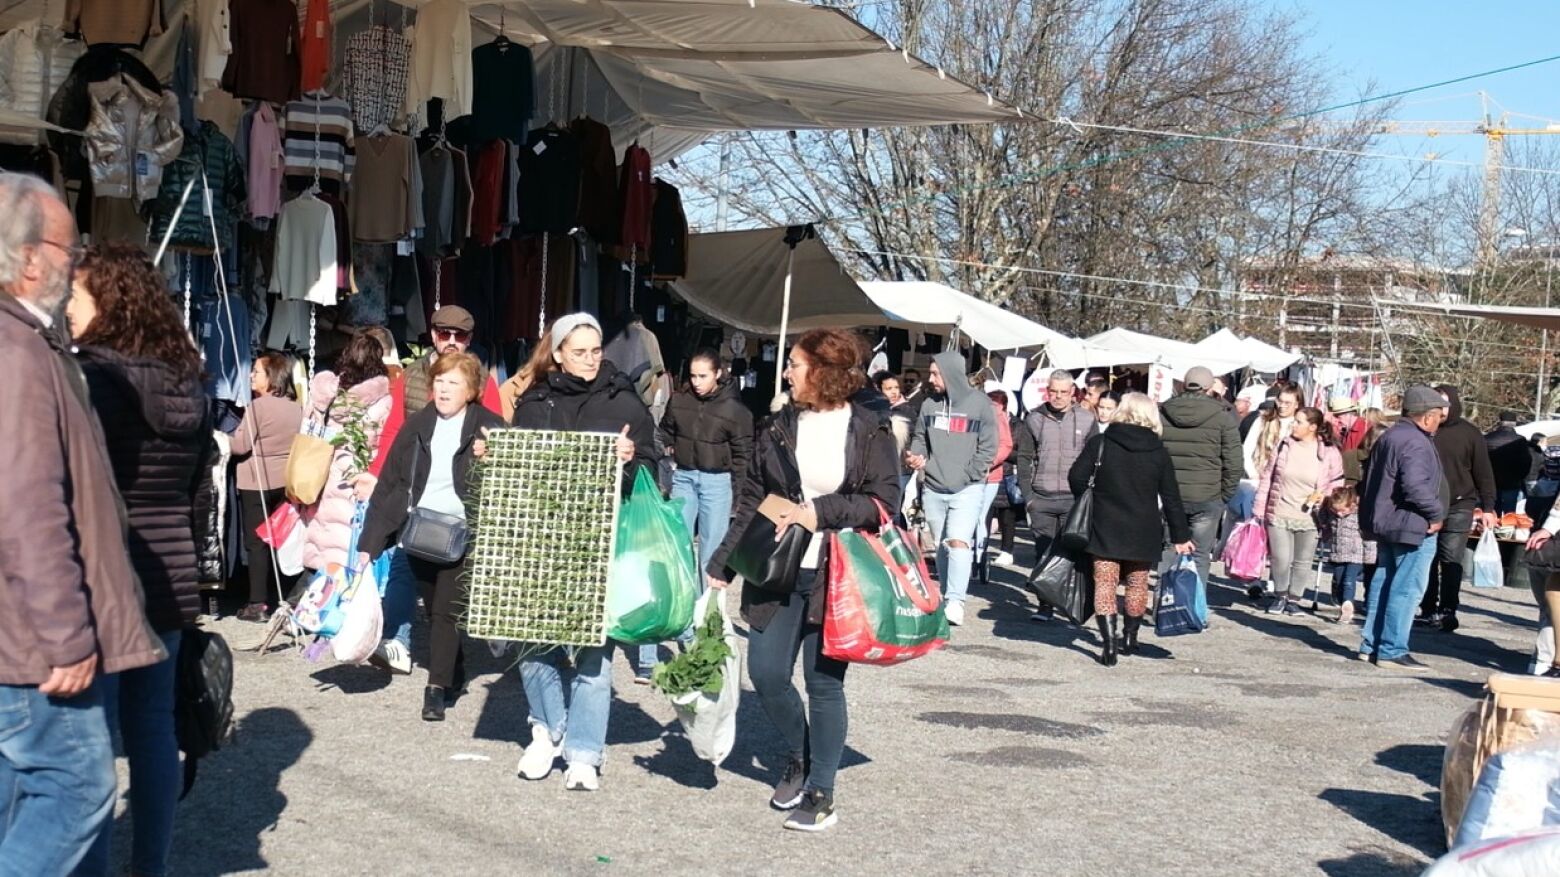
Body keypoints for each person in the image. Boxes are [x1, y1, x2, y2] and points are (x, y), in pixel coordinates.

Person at [0, 173, 164, 874]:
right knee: (78, 789)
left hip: (26, 631)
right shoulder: (17, 355)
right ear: (31, 257)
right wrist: (68, 633)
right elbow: (27, 505)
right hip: (39, 638)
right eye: (71, 250)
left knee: (27, 794)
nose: (77, 266)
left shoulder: (32, 348)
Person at [708, 328, 900, 831]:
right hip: (775, 567)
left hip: (836, 574)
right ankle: (799, 754)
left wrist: (821, 511)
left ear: (823, 371)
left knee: (823, 684)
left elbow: (884, 504)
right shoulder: (776, 425)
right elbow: (750, 498)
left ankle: (821, 790)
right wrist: (722, 563)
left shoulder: (870, 429)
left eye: (794, 363)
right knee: (767, 675)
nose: (786, 372)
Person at [67, 243, 212, 877]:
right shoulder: (190, 383)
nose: (67, 307)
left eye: (78, 294)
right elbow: (199, 495)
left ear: (109, 300)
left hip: (103, 577)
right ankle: (149, 866)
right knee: (153, 728)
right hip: (170, 577)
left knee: (90, 735)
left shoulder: (94, 381)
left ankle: (91, 864)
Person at [510, 314, 656, 793]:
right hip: (543, 541)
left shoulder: (624, 400)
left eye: (596, 350)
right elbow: (517, 471)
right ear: (556, 354)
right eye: (580, 351)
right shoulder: (535, 400)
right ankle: (546, 730)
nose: (592, 359)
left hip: (604, 539)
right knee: (534, 645)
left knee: (594, 653)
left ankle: (585, 752)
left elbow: (655, 467)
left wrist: (633, 461)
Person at [357, 352, 505, 721]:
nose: (443, 389)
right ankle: (453, 671)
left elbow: (513, 478)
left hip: (465, 532)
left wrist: (494, 457)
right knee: (438, 606)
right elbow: (392, 484)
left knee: (445, 611)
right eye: (439, 381)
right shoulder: (417, 426)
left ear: (471, 391)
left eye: (453, 383)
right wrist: (369, 544)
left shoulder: (490, 427)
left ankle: (435, 688)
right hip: (422, 531)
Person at [637, 349, 753, 682]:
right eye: (693, 375)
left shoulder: (736, 410)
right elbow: (662, 433)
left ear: (719, 373)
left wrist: (742, 499)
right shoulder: (680, 402)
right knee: (671, 553)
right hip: (684, 476)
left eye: (703, 375)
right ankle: (653, 646)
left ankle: (706, 639)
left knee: (711, 561)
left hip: (718, 481)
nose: (696, 381)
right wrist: (666, 462)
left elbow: (744, 457)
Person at [1068, 393, 1193, 666]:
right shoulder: (1158, 452)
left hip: (1105, 524)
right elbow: (1171, 496)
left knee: (1106, 583)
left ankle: (1109, 645)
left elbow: (1076, 477)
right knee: (1137, 584)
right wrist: (1181, 536)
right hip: (1144, 527)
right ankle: (1129, 638)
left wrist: (1092, 500)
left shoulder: (1101, 443)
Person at [1358, 386, 1449, 670]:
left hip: (1387, 522)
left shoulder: (1390, 436)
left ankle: (1371, 645)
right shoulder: (1416, 442)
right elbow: (1414, 486)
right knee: (1406, 589)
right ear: (1426, 417)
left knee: (1384, 583)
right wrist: (1435, 513)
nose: (1438, 422)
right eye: (1437, 416)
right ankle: (1392, 649)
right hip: (1411, 524)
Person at [904, 352, 997, 626]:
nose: (930, 379)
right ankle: (946, 595)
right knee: (943, 545)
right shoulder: (929, 405)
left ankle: (956, 600)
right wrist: (916, 456)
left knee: (958, 542)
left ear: (951, 374)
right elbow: (920, 437)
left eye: (935, 374)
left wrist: (969, 475)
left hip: (968, 487)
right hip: (933, 485)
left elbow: (988, 446)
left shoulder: (980, 404)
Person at [300, 332, 393, 574]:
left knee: (321, 542)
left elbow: (307, 426)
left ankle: (317, 599)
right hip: (355, 478)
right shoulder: (382, 401)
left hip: (320, 475)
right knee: (347, 548)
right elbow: (380, 440)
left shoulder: (323, 394)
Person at [1015, 368, 1098, 621]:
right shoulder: (1034, 419)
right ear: (1047, 391)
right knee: (1043, 553)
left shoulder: (1086, 420)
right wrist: (1028, 495)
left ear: (1073, 393)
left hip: (1074, 499)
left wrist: (1089, 495)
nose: (1058, 396)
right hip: (1042, 497)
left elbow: (1095, 459)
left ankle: (1071, 604)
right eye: (1054, 391)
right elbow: (1024, 458)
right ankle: (1045, 605)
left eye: (1064, 392)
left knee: (1075, 554)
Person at [230, 351, 304, 621]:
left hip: (256, 481)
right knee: (282, 539)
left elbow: (241, 445)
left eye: (257, 372)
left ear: (271, 377)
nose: (252, 376)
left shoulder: (258, 407)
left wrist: (220, 439)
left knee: (257, 542)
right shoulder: (297, 407)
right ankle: (286, 596)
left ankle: (257, 604)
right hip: (285, 481)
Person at [1419, 385, 1497, 633]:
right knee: (1426, 559)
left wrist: (1488, 507)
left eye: (1443, 404)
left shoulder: (1470, 434)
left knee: (1451, 559)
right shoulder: (1423, 430)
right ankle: (1428, 608)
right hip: (1427, 504)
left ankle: (1448, 609)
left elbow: (1483, 473)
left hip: (1460, 504)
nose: (1439, 411)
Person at [1252, 407, 1344, 616]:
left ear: (1312, 427)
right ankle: (1280, 596)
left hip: (1311, 516)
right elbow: (1268, 477)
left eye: (1298, 422)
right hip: (1280, 511)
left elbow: (1337, 482)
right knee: (1280, 558)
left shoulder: (1329, 452)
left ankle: (1294, 599)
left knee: (1303, 561)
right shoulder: (1284, 446)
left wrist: (1326, 495)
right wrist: (1259, 508)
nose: (1293, 425)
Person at [1159, 365, 1243, 587]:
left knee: (1168, 550)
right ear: (1209, 388)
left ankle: (1164, 605)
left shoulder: (1162, 413)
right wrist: (1223, 495)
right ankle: (1195, 609)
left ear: (1184, 385)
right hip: (1207, 495)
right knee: (1200, 555)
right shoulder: (1222, 417)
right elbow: (1234, 462)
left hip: (1170, 495)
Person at [1240, 383, 1301, 600]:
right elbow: (1247, 450)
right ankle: (1254, 579)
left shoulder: (1299, 424)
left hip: (1286, 487)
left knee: (1280, 537)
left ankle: (1278, 582)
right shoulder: (1264, 420)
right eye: (1280, 401)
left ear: (1297, 404)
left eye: (1287, 402)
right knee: (1257, 533)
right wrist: (1254, 475)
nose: (1282, 406)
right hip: (1259, 481)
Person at [972, 385, 1015, 574]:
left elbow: (1006, 444)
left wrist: (987, 462)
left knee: (981, 517)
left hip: (989, 475)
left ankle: (978, 557)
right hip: (962, 473)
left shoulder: (997, 413)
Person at [1320, 487, 1373, 624]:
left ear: (1352, 505)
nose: (1339, 514)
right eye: (1335, 510)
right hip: (1338, 554)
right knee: (1338, 580)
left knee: (1348, 580)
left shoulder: (1359, 516)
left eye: (1343, 510)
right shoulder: (1332, 515)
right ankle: (1341, 599)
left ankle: (1347, 606)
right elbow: (1323, 522)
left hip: (1356, 555)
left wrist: (1370, 556)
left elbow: (1368, 537)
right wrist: (1320, 506)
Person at [1486, 411, 1530, 514]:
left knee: (1491, 513)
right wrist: (1520, 477)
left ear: (1500, 421)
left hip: (1491, 483)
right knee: (1509, 514)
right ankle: (1508, 529)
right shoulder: (1520, 440)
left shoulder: (1487, 439)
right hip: (1512, 483)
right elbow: (1526, 462)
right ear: (1514, 423)